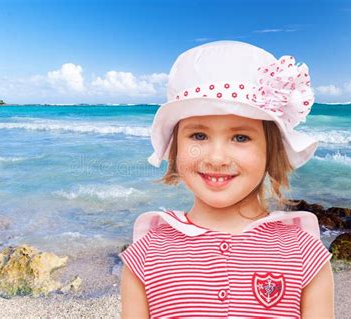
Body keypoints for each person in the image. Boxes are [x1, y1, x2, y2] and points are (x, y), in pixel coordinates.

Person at [119, 40, 334, 319]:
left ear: (271, 151)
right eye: (199, 136)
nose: (217, 158)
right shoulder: (146, 256)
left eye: (240, 137)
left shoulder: (304, 254)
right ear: (174, 148)